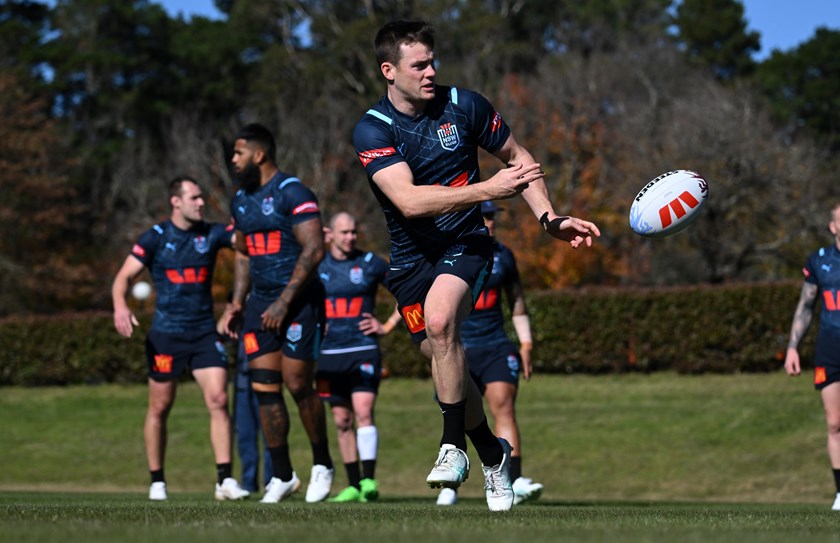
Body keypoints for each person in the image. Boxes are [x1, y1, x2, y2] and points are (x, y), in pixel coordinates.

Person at [352, 20, 600, 511]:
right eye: (418, 65)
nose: (430, 72)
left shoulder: (465, 106)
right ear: (389, 71)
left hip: (466, 243)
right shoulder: (373, 128)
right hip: (409, 263)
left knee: (441, 321)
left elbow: (518, 157)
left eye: (432, 62)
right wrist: (489, 189)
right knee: (446, 362)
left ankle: (452, 447)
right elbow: (409, 202)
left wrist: (549, 218)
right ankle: (492, 453)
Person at [111, 176, 249, 502]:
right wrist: (120, 305)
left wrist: (247, 216)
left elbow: (246, 242)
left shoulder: (212, 234)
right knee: (160, 407)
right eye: (194, 197)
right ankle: (157, 482)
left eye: (201, 197)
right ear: (176, 201)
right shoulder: (156, 237)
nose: (201, 203)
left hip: (204, 334)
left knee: (219, 399)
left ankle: (225, 480)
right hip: (166, 337)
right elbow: (123, 277)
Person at [218, 122, 334, 504]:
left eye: (238, 153)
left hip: (299, 304)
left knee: (298, 384)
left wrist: (284, 302)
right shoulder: (240, 199)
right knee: (264, 389)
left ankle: (322, 463)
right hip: (258, 306)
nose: (233, 160)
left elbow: (314, 249)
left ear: (259, 154)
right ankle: (282, 475)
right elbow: (243, 253)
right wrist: (237, 302)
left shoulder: (292, 191)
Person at [436, 201, 543, 506]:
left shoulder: (504, 256)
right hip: (458, 347)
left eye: (492, 216)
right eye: (484, 216)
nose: (490, 222)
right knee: (458, 413)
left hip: (496, 345)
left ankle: (514, 479)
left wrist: (526, 344)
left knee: (503, 406)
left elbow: (517, 303)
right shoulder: (447, 253)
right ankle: (451, 485)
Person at [316, 211, 396, 503]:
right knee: (341, 420)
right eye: (344, 232)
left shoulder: (371, 263)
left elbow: (408, 291)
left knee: (363, 411)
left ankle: (368, 481)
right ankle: (352, 484)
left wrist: (386, 325)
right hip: (328, 354)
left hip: (363, 350)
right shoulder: (316, 266)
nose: (350, 237)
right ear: (329, 235)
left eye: (353, 232)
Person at [785, 202, 840, 511]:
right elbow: (806, 306)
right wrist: (793, 346)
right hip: (830, 351)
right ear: (833, 226)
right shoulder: (820, 261)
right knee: (835, 423)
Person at [232, 336, 275, 493]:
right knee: (245, 436)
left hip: (265, 377)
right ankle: (248, 483)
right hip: (242, 380)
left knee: (270, 434)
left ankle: (272, 481)